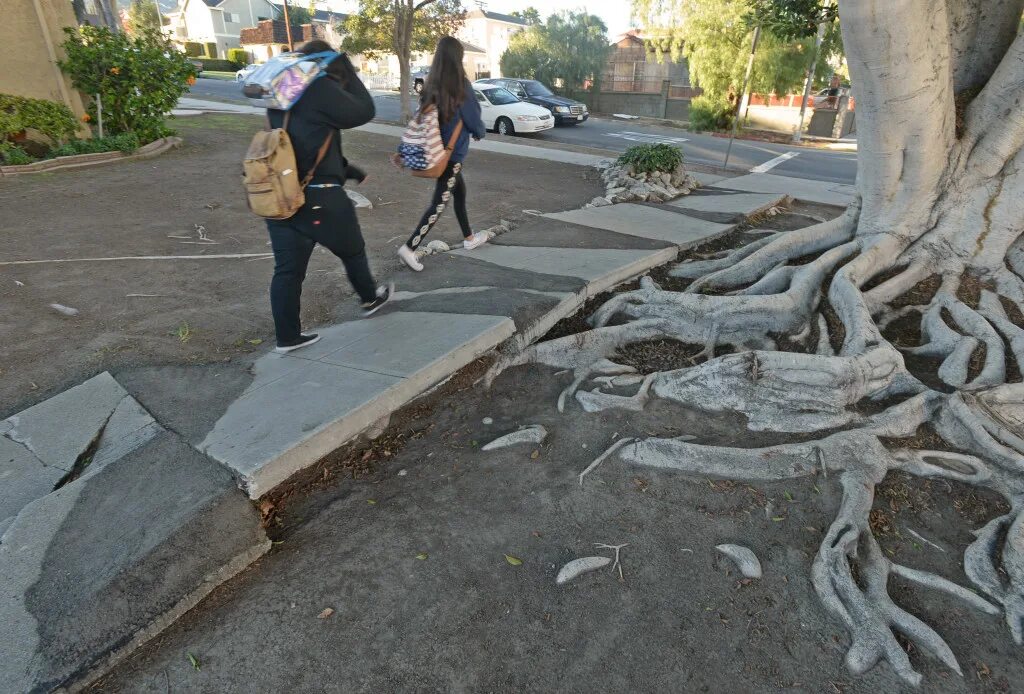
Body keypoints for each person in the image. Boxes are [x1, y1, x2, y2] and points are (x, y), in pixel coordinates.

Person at [264, 40, 392, 353]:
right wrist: (347, 67)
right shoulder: (318, 88)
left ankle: (287, 337)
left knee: (288, 271)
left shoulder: (284, 89)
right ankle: (370, 298)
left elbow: (306, 141)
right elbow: (365, 109)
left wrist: (350, 170)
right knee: (353, 251)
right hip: (320, 197)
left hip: (282, 194)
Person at [397, 36, 488, 272]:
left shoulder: (431, 85)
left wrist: (402, 151)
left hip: (434, 150)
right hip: (449, 156)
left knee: (460, 193)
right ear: (458, 58)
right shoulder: (461, 85)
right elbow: (474, 119)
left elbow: (418, 122)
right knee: (439, 204)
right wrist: (479, 132)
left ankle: (469, 239)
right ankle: (409, 248)